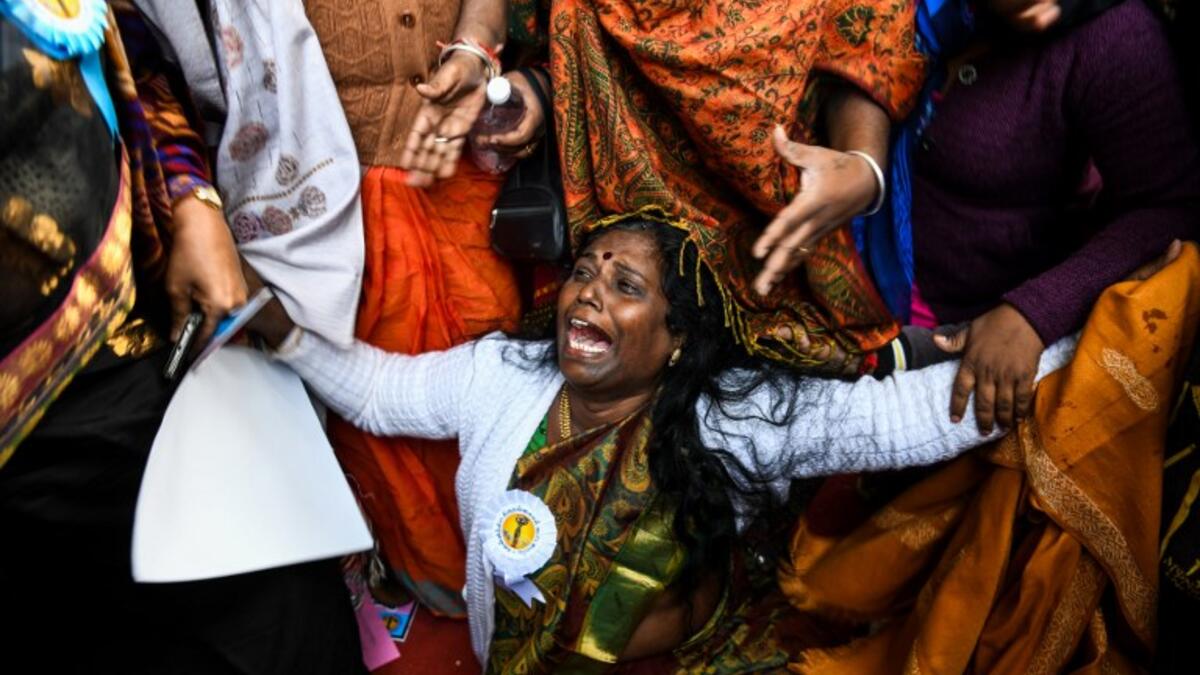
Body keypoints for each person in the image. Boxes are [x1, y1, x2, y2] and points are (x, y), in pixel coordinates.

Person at [242, 213, 1077, 670]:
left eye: (625, 285)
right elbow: (381, 391)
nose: (587, 294)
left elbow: (897, 419)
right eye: (584, 271)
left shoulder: (732, 418)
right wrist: (274, 324)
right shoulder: (500, 374)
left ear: (677, 337)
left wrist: (1052, 333)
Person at [0, 2, 361, 672]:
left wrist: (194, 197)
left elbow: (122, 43)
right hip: (28, 420)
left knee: (282, 601)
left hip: (136, 337)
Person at [460, 0, 928, 376]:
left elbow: (864, 36)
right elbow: (551, 33)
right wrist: (534, 86)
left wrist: (863, 165)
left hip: (785, 247)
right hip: (615, 248)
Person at [860, 0, 1200, 432]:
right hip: (855, 269)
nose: (1037, 12)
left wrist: (1035, 311)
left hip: (960, 325)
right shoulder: (919, 13)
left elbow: (1167, 207)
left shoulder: (1116, 35)